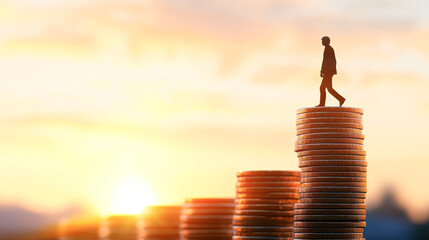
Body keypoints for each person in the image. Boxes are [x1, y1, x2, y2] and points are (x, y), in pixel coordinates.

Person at [316, 36, 346, 107]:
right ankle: (341, 99)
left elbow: (330, 61)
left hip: (328, 73)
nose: (322, 42)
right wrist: (322, 71)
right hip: (328, 72)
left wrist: (327, 72)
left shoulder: (329, 49)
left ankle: (322, 104)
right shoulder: (327, 49)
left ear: (326, 41)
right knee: (329, 89)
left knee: (322, 88)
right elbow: (325, 61)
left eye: (323, 41)